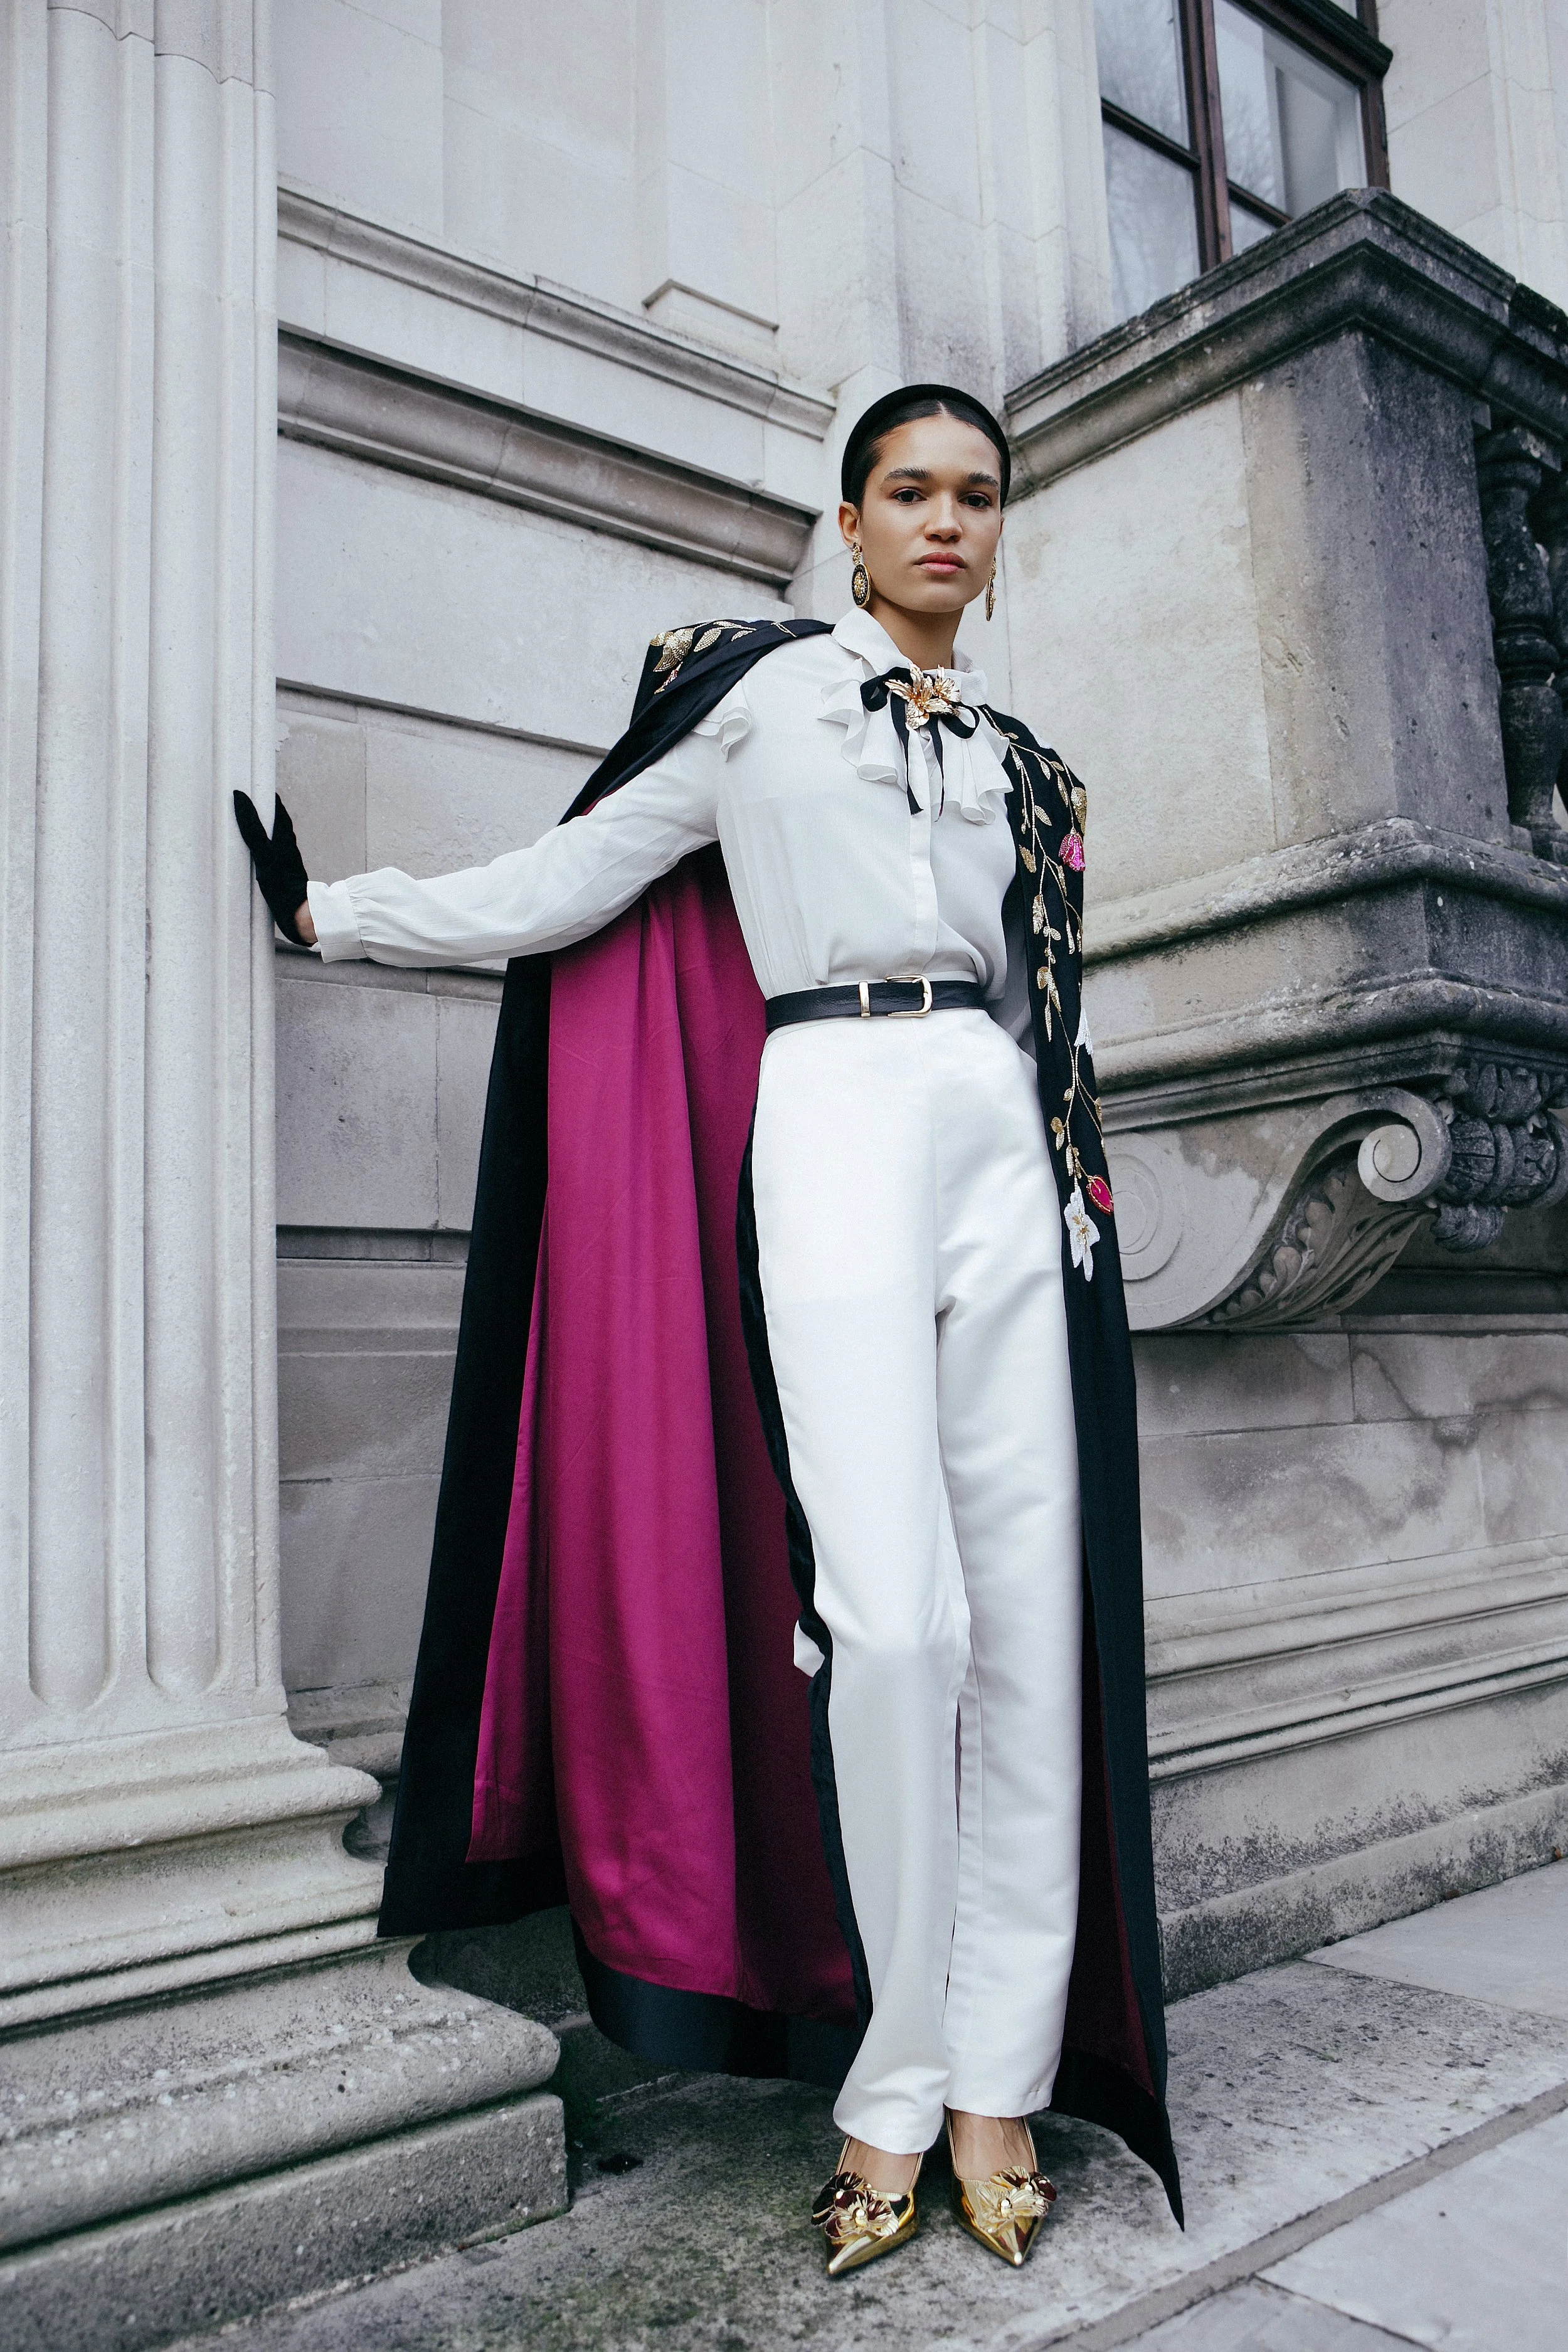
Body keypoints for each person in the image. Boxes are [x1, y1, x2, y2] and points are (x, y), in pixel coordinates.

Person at [237, 385, 1180, 2277]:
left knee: (1025, 1616)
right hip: (824, 1105)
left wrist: (1069, 1189)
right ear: (852, 520)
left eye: (976, 495)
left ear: (1001, 533)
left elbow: (1043, 1013)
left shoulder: (1029, 767)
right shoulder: (753, 700)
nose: (944, 521)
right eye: (908, 490)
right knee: (893, 1620)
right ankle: (891, 2077)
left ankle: (997, 2080)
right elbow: (568, 881)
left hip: (998, 1140)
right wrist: (338, 912)